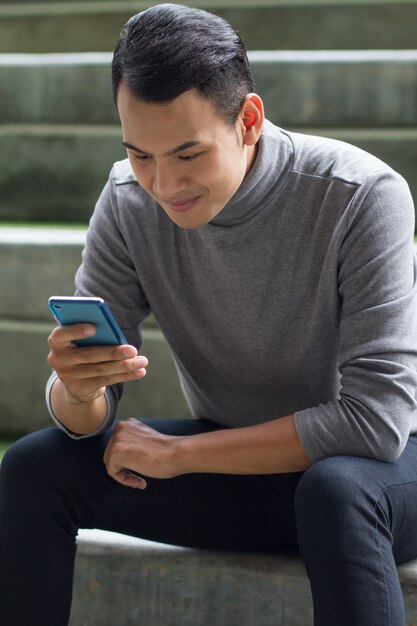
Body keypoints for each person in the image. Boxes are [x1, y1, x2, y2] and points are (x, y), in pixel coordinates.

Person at [1, 4, 417, 625]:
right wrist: (76, 391)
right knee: (34, 469)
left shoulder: (360, 195)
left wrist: (183, 455)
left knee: (335, 490)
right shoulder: (127, 201)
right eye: (141, 155)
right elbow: (88, 418)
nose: (164, 184)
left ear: (248, 120)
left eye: (188, 154)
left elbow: (375, 423)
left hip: (381, 479)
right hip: (241, 472)